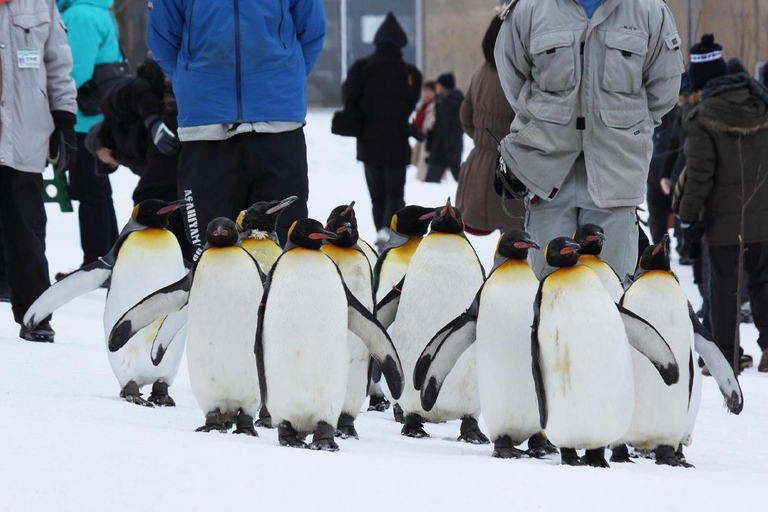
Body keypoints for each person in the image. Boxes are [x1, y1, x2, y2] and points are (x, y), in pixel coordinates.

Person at [494, 0, 684, 281]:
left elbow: (664, 87)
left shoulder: (648, 10)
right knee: (548, 290)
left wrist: (629, 127)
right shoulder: (530, 8)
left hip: (617, 174)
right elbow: (512, 76)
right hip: (547, 175)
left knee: (610, 291)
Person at [148, 0, 327, 257]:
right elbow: (162, 40)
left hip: (277, 124)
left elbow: (313, 31)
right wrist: (196, 81)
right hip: (206, 128)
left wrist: (284, 75)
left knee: (285, 244)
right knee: (212, 244)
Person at [678, 35, 768, 374]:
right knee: (763, 281)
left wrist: (688, 220)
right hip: (763, 218)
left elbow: (699, 176)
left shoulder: (703, 117)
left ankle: (727, 356)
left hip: (723, 224)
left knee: (724, 289)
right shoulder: (761, 103)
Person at [1, 0, 78, 342]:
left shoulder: (41, 4)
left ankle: (35, 314)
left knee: (27, 230)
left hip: (24, 136)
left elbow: (58, 63)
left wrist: (65, 118)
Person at [88, 58, 194, 261]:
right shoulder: (128, 151)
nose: (111, 165)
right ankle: (176, 267)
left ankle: (156, 265)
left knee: (149, 204)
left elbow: (137, 89)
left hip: (179, 138)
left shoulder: (113, 108)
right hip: (178, 153)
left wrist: (152, 121)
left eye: (105, 162)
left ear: (99, 146)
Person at [341, 12, 422, 247]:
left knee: (377, 194)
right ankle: (390, 228)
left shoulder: (361, 68)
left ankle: (381, 229)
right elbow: (411, 101)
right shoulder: (410, 73)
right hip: (397, 142)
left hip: (369, 142)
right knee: (395, 192)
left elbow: (349, 98)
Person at [57, 0, 121, 268]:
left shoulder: (80, 14)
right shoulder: (95, 9)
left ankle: (96, 263)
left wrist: (52, 99)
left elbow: (76, 69)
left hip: (84, 118)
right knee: (98, 192)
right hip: (95, 115)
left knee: (90, 192)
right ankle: (109, 257)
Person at [456, 14, 523, 235]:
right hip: (515, 170)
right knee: (518, 241)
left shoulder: (481, 71)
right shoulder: (522, 75)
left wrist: (484, 139)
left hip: (480, 166)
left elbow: (466, 117)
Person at [425, 73, 464, 183]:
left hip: (447, 148)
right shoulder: (442, 100)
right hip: (441, 148)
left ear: (443, 86)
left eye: (437, 85)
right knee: (431, 181)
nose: (435, 87)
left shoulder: (450, 103)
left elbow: (448, 128)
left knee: (459, 179)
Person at [412, 81, 437, 182]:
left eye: (430, 91)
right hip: (422, 139)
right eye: (425, 90)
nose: (427, 93)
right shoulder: (423, 107)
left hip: (430, 142)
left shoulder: (435, 106)